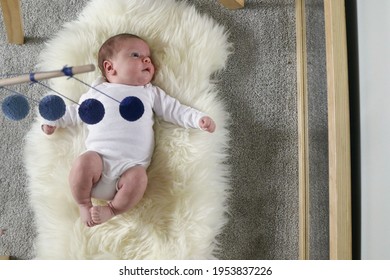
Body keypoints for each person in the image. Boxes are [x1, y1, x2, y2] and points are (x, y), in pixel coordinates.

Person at [41, 33, 216, 227]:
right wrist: (55, 121)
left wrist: (198, 119)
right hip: (98, 163)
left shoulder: (148, 92)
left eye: (147, 56)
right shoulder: (98, 91)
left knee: (140, 177)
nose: (146, 59)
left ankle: (112, 209)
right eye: (135, 55)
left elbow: (175, 110)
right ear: (110, 67)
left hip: (130, 169)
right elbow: (77, 112)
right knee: (83, 162)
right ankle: (83, 203)